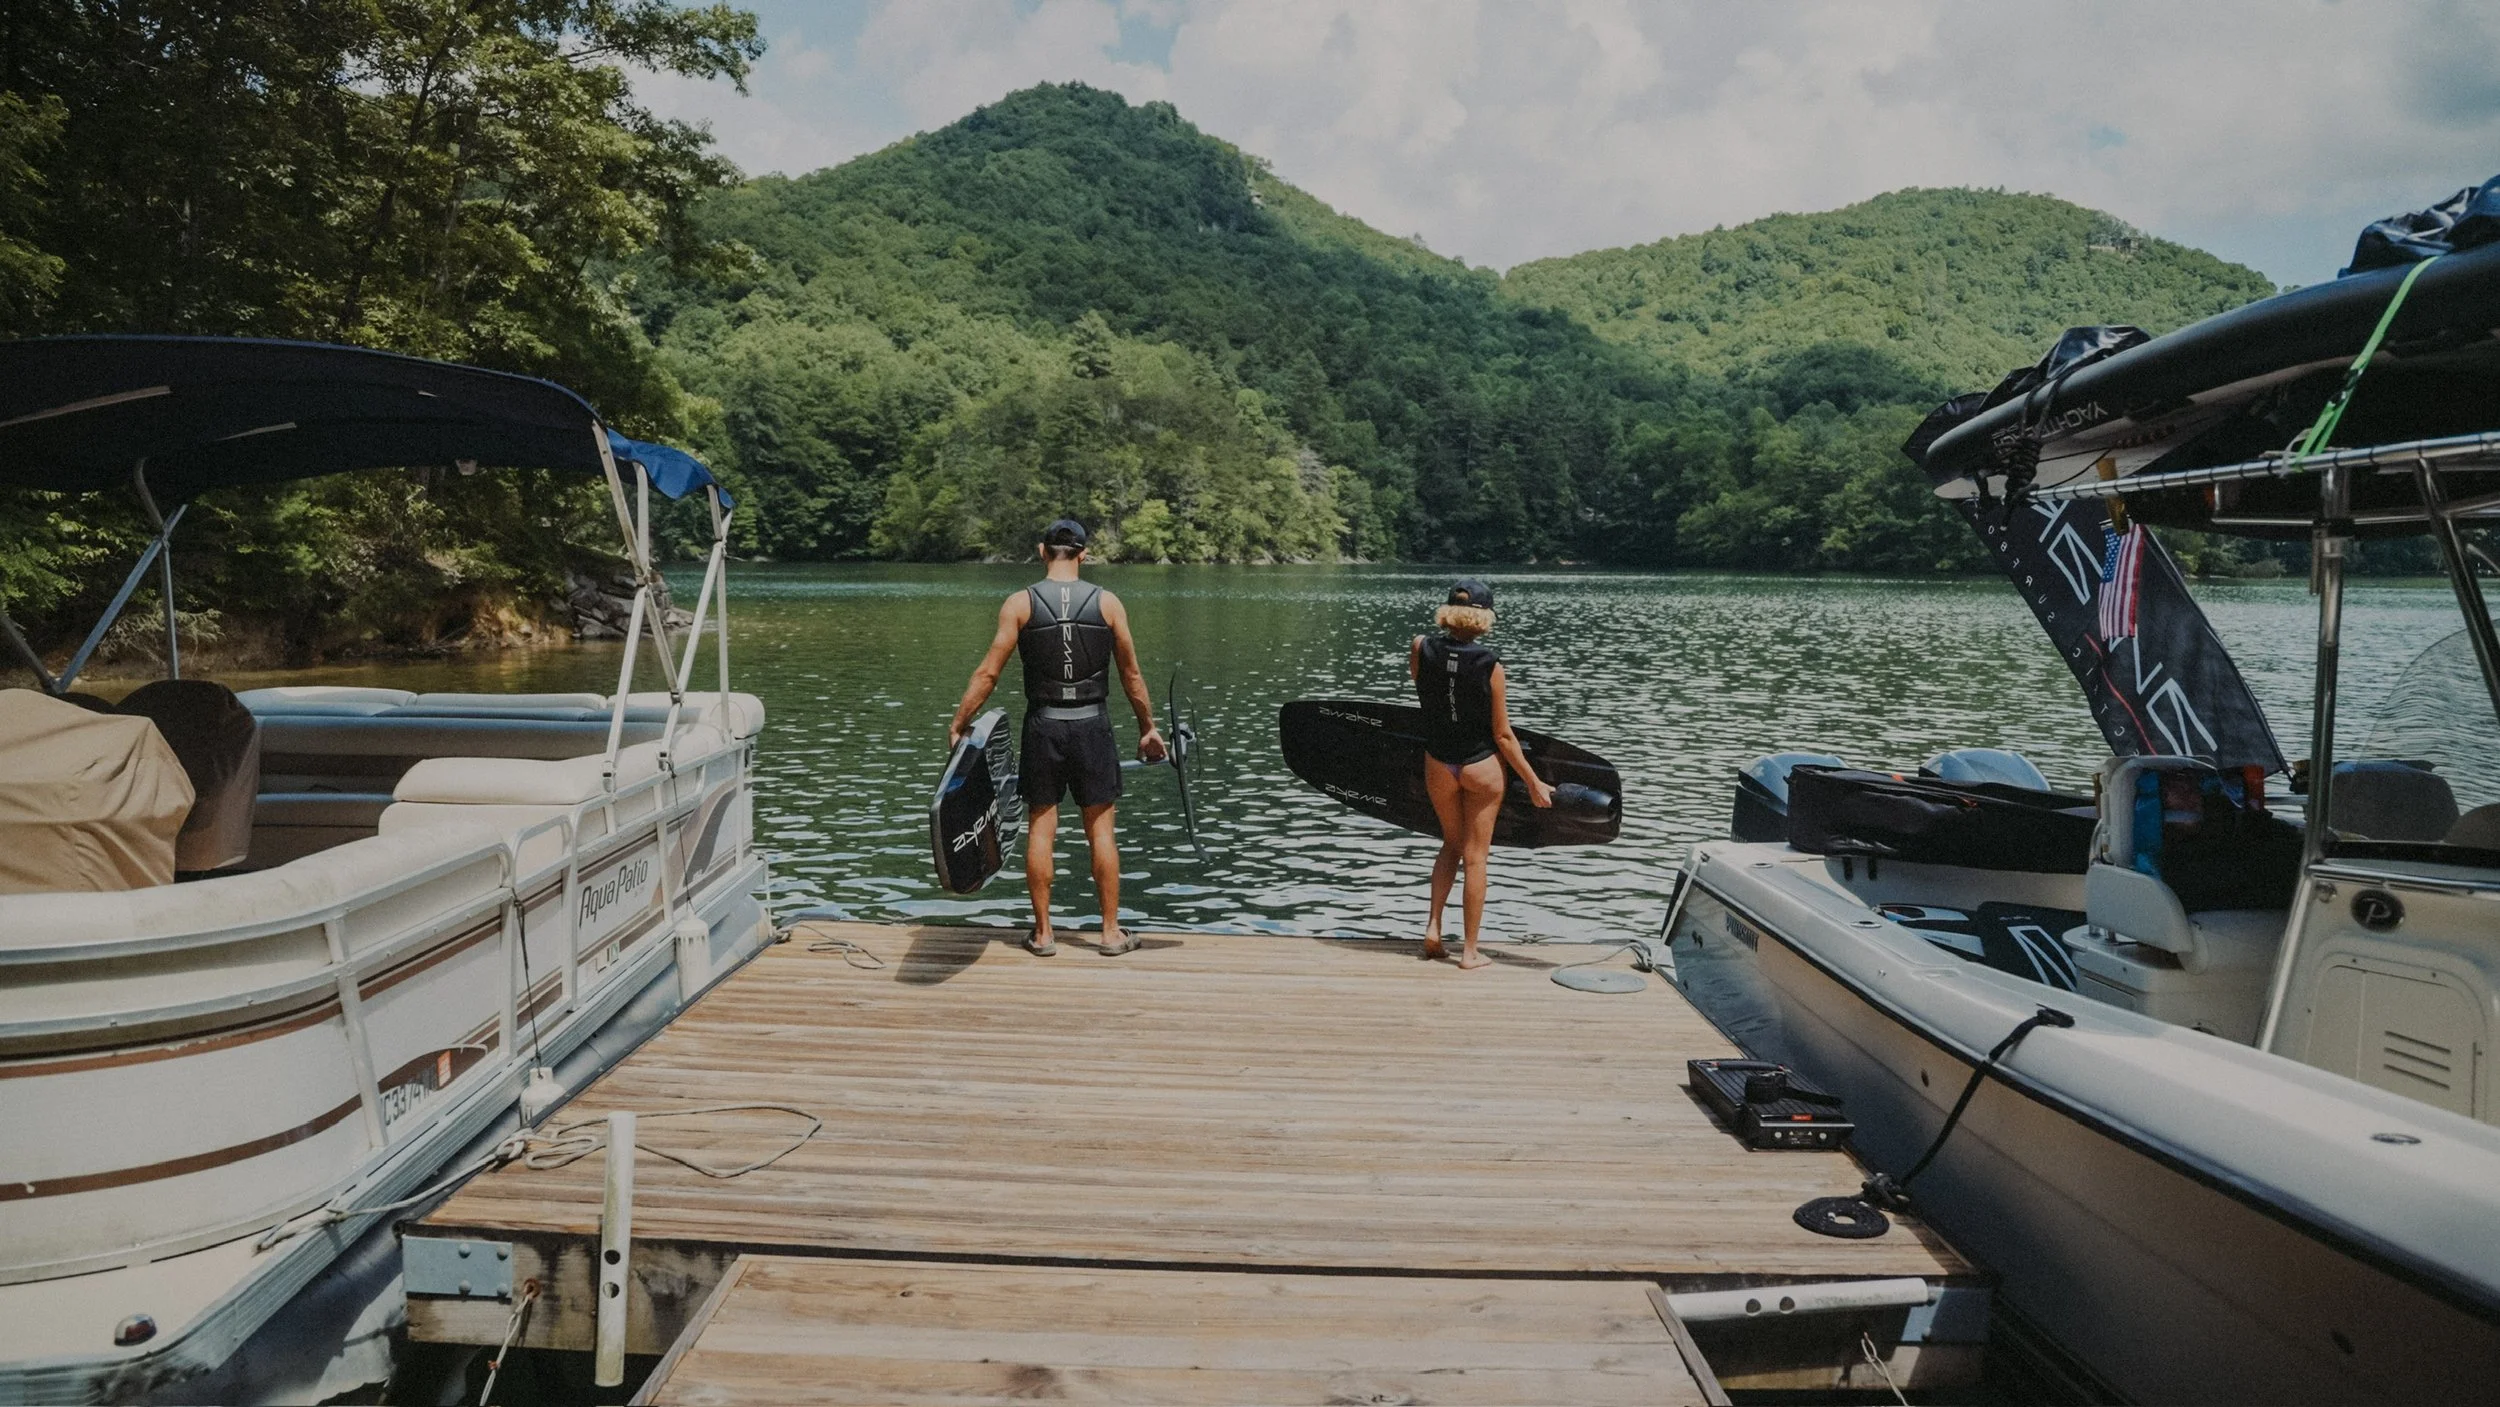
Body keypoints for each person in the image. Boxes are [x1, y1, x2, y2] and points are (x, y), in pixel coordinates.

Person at [949, 518, 1165, 956]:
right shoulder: (1108, 603)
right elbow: (1131, 674)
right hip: (1093, 726)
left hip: (1043, 725)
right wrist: (1148, 728)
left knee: (1041, 830)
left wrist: (960, 722)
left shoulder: (1020, 603)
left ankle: (1044, 934)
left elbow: (989, 672)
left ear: (1042, 550)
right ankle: (1108, 934)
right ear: (1084, 554)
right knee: (1101, 833)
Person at [1411, 579, 1550, 969]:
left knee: (1450, 845)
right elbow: (1503, 736)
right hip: (1481, 767)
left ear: (1449, 612)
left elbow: (1424, 689)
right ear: (1484, 617)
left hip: (1439, 762)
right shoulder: (1491, 665)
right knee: (1476, 857)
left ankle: (1434, 929)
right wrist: (1535, 782)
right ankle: (1470, 952)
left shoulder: (1421, 647)